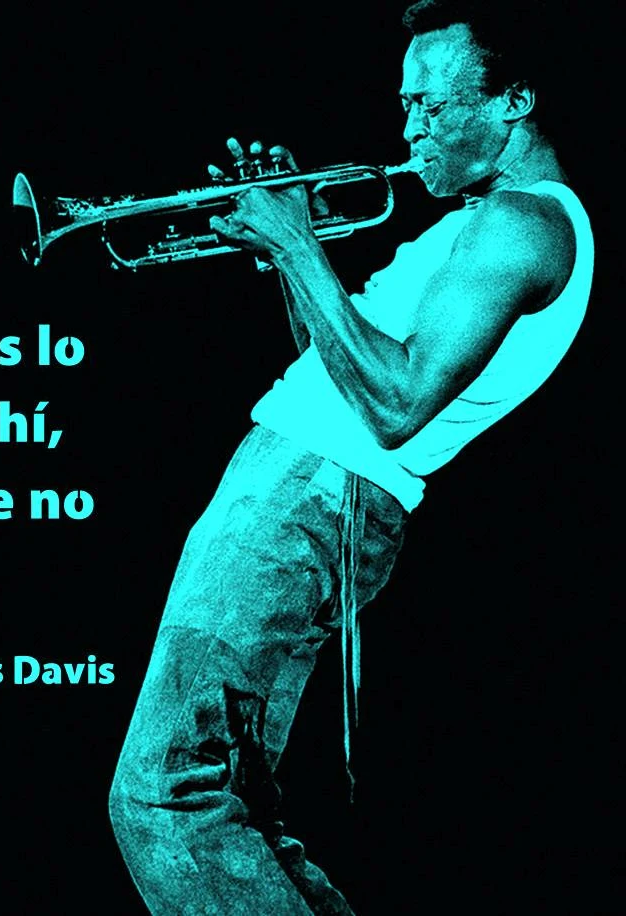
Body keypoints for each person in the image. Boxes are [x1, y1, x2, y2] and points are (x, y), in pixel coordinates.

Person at [107, 1, 593, 913]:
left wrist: (298, 242)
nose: (410, 131)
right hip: (312, 489)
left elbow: (397, 406)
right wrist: (286, 258)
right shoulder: (480, 224)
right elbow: (338, 376)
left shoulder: (523, 224)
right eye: (405, 106)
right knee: (238, 808)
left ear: (514, 101)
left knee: (165, 796)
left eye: (431, 105)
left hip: (311, 496)